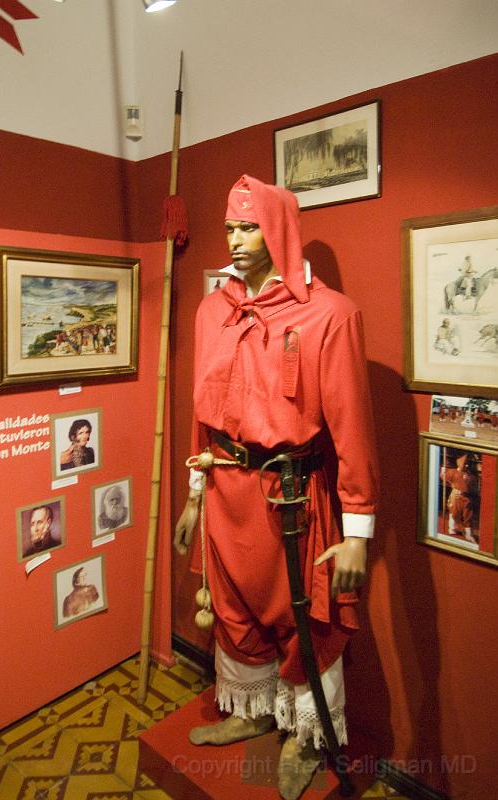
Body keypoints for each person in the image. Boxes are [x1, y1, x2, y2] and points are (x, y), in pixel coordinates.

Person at [174, 175, 379, 800]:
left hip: (291, 498)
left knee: (304, 616)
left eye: (248, 226)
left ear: (279, 229)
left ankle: (307, 736)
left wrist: (358, 534)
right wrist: (192, 492)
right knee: (233, 608)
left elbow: (352, 429)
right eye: (229, 227)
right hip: (225, 491)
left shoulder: (330, 314)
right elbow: (199, 412)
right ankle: (250, 708)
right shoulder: (216, 309)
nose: (234, 239)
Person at [440, 454, 479, 543]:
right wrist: (443, 472)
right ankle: (452, 527)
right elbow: (444, 477)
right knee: (454, 513)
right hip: (456, 496)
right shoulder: (453, 472)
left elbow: (474, 487)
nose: (466, 465)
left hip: (467, 498)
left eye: (468, 463)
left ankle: (469, 533)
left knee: (468, 515)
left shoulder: (471, 475)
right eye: (465, 463)